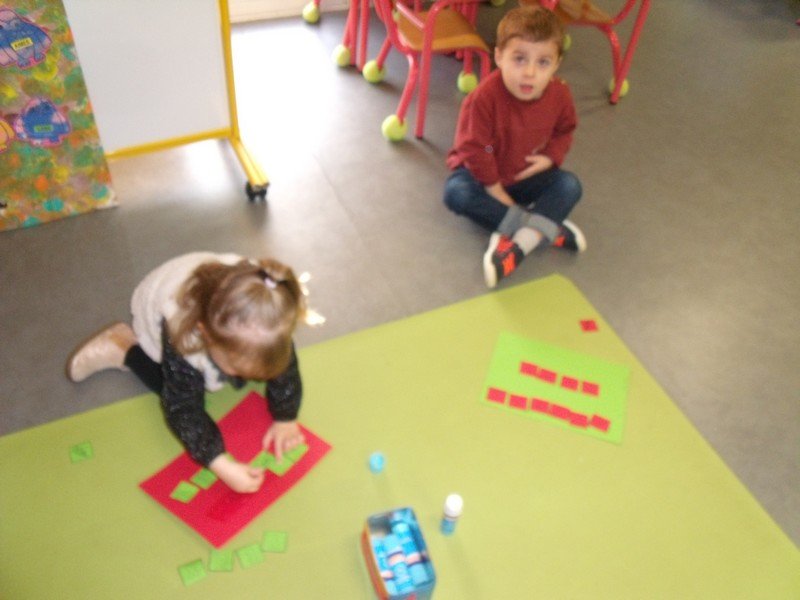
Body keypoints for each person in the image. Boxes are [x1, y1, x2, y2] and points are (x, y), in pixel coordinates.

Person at [66, 252, 321, 494]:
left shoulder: (269, 310)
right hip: (163, 308)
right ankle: (124, 347)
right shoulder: (183, 339)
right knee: (174, 387)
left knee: (261, 363)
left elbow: (285, 365)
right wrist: (220, 463)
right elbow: (182, 408)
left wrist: (286, 417)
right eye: (236, 369)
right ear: (206, 335)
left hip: (215, 303)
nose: (246, 378)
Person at [443, 5, 585, 288]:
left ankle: (519, 243)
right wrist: (494, 188)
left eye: (543, 62)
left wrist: (550, 157)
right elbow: (477, 148)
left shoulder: (559, 94)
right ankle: (544, 228)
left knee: (569, 185)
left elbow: (565, 129)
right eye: (519, 59)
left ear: (556, 64)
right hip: (480, 176)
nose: (529, 73)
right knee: (456, 193)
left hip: (523, 174)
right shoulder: (483, 99)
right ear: (499, 57)